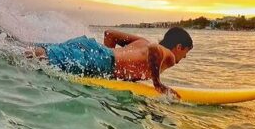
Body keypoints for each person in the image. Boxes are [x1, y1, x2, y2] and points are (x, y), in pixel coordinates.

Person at [26, 27, 193, 98]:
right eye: (186, 53)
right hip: (101, 59)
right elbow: (155, 49)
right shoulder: (169, 56)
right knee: (32, 56)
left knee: (30, 49)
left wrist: (106, 61)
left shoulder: (142, 41)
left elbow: (109, 34)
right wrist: (158, 84)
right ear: (179, 47)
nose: (183, 58)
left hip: (93, 48)